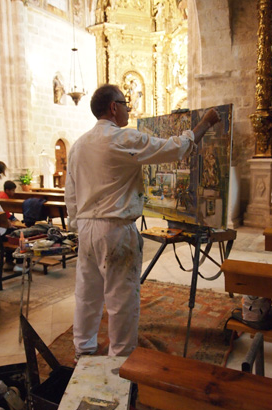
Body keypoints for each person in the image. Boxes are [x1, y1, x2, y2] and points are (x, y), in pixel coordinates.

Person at [65, 83, 221, 360]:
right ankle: (120, 361)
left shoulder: (78, 145)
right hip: (113, 228)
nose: (129, 108)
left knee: (87, 296)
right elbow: (173, 149)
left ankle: (83, 350)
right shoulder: (120, 139)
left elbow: (71, 195)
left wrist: (79, 228)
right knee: (121, 298)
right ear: (113, 107)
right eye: (125, 103)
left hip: (86, 228)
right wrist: (205, 123)